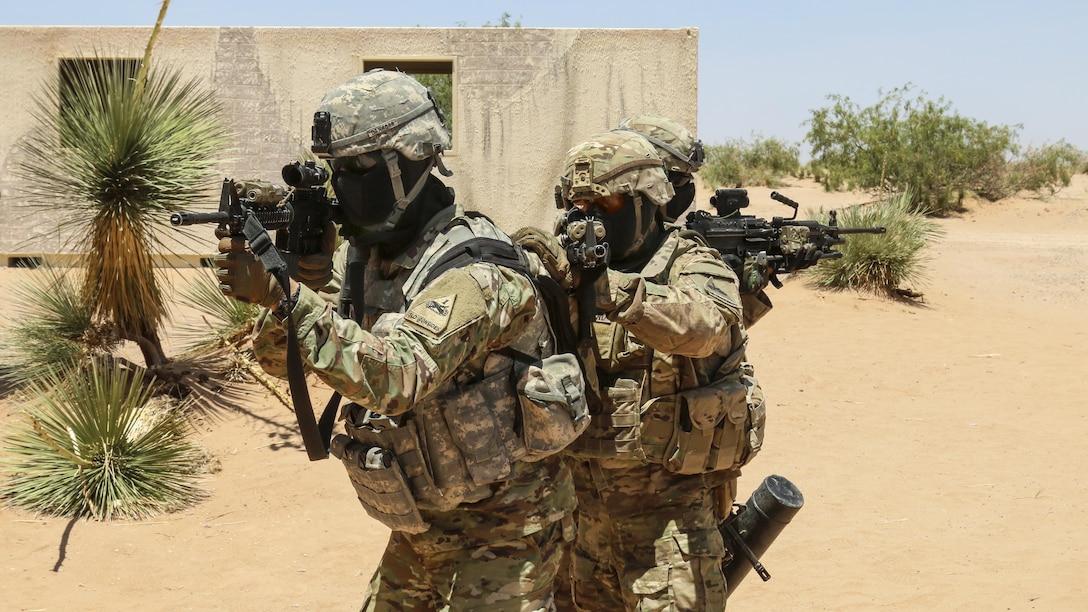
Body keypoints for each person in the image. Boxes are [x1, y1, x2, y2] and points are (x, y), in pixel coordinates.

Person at [215, 69, 584, 611]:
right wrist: (299, 278)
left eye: (355, 170)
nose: (340, 188)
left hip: (506, 531)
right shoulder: (369, 262)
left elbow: (396, 377)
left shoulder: (478, 270)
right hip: (421, 523)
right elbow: (278, 362)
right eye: (334, 171)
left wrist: (286, 296)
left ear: (409, 164)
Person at [552, 129, 766, 610]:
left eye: (606, 205)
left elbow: (707, 324)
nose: (590, 220)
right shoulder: (566, 267)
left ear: (647, 202)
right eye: (579, 206)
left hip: (669, 520)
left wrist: (615, 292)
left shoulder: (692, 261)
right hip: (579, 515)